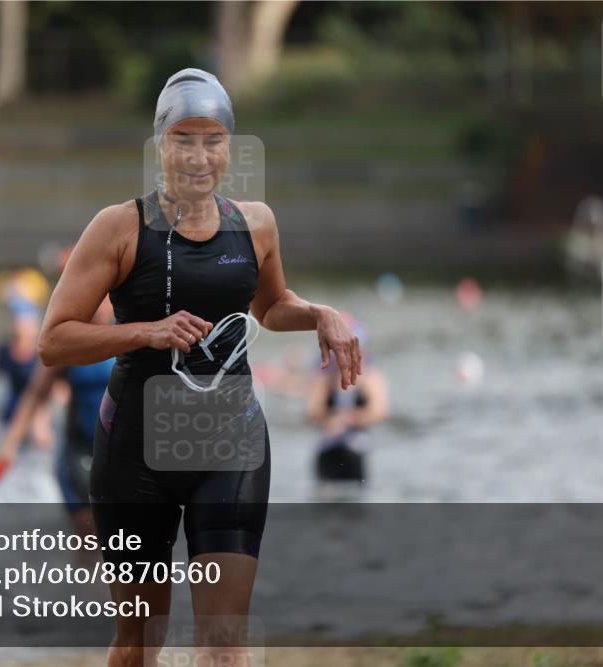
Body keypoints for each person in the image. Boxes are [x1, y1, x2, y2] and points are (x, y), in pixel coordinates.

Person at [35, 68, 362, 666]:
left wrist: (321, 314)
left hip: (229, 444)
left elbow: (270, 305)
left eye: (212, 139)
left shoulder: (255, 223)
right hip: (134, 453)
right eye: (183, 139)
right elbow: (53, 341)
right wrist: (146, 331)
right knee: (140, 641)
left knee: (224, 642)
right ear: (160, 144)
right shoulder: (117, 228)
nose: (198, 156)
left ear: (229, 146)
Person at [0, 295, 117, 544]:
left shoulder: (132, 336)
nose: (98, 306)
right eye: (94, 298)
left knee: (122, 541)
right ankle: (84, 582)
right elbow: (34, 395)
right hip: (78, 451)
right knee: (87, 534)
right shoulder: (70, 342)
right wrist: (8, 448)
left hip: (120, 454)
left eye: (104, 299)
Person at [0, 267, 57, 450]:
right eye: (17, 319)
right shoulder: (4, 351)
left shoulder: (44, 352)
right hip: (9, 415)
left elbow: (56, 391)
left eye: (25, 321)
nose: (21, 326)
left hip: (34, 419)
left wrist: (43, 419)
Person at [306, 314, 389, 487]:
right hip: (327, 449)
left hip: (356, 450)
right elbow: (313, 411)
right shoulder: (324, 377)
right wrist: (330, 421)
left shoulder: (371, 377)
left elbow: (379, 411)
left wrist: (348, 419)